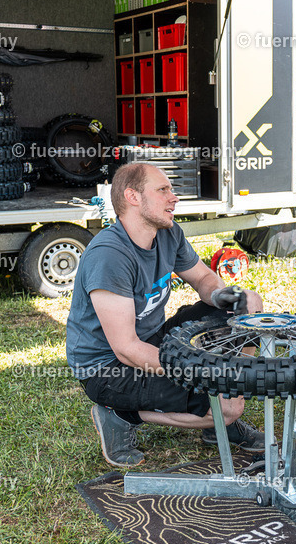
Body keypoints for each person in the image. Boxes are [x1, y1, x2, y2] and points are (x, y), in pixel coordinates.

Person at [66, 162, 265, 468]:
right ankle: (120, 414)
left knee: (247, 304)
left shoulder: (168, 234)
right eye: (163, 190)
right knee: (227, 407)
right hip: (107, 368)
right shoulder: (109, 255)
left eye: (171, 189)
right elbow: (126, 348)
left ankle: (222, 407)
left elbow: (203, 279)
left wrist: (223, 295)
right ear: (133, 197)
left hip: (153, 340)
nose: (174, 197)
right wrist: (198, 369)